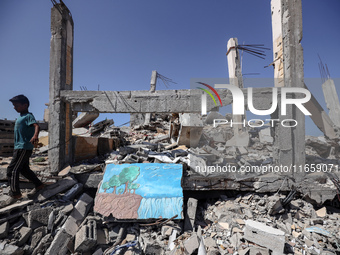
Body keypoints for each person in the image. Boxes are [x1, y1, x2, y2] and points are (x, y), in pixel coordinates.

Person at [5, 95, 44, 205]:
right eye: (14, 106)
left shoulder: (28, 116)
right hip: (19, 147)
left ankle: (15, 194)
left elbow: (37, 126)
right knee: (24, 169)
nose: (14, 108)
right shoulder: (21, 117)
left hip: (23, 147)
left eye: (16, 105)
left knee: (12, 170)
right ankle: (39, 185)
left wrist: (35, 136)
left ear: (25, 105)